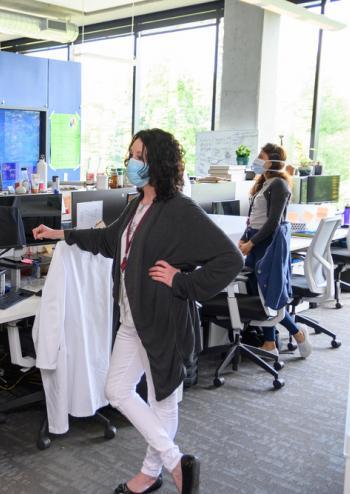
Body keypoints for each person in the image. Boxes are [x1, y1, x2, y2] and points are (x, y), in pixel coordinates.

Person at [33, 129, 243, 494]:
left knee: (162, 396)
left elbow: (231, 259)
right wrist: (60, 234)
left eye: (139, 156)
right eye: (130, 153)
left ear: (156, 162)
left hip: (162, 318)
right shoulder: (136, 203)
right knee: (117, 389)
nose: (131, 162)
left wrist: (183, 283)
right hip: (132, 318)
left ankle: (151, 473)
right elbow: (107, 240)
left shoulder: (179, 209)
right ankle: (176, 462)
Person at [239, 143, 312, 358]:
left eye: (261, 156)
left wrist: (252, 243)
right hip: (254, 239)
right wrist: (245, 237)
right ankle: (270, 342)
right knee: (257, 293)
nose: (257, 160)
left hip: (266, 243)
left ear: (273, 161)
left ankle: (297, 333)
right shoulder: (264, 183)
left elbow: (273, 222)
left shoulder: (279, 185)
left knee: (267, 295)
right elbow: (253, 216)